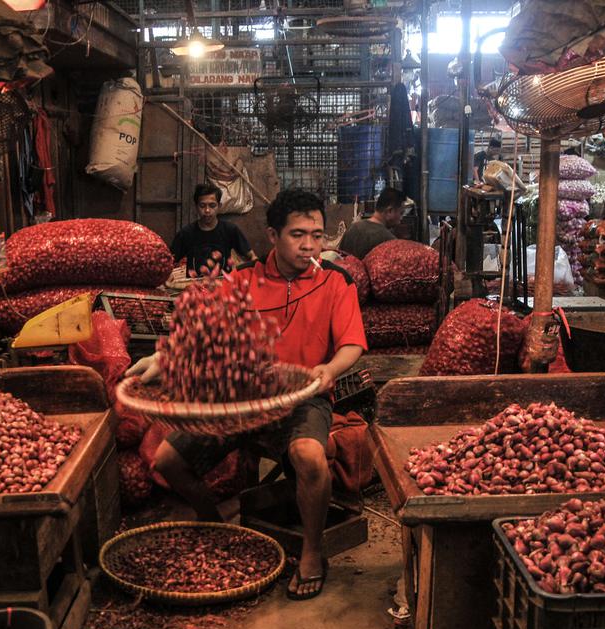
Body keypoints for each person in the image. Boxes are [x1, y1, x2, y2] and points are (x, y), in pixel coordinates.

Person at [127, 189, 367, 601]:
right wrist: (164, 359)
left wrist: (329, 369)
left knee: (310, 456)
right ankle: (216, 523)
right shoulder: (242, 281)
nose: (309, 245)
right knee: (167, 460)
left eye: (317, 234)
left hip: (303, 397)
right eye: (297, 234)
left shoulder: (335, 281)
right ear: (273, 235)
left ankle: (311, 553)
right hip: (241, 396)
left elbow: (352, 344)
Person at [170, 183, 255, 274]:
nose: (207, 210)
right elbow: (169, 262)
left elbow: (252, 257)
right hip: (194, 285)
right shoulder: (186, 233)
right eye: (202, 206)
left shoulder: (230, 230)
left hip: (224, 284)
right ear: (196, 207)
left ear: (219, 206)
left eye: (212, 205)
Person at [338, 187, 405, 258]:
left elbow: (340, 258)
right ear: (390, 211)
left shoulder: (353, 228)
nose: (401, 218)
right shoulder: (388, 240)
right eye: (401, 213)